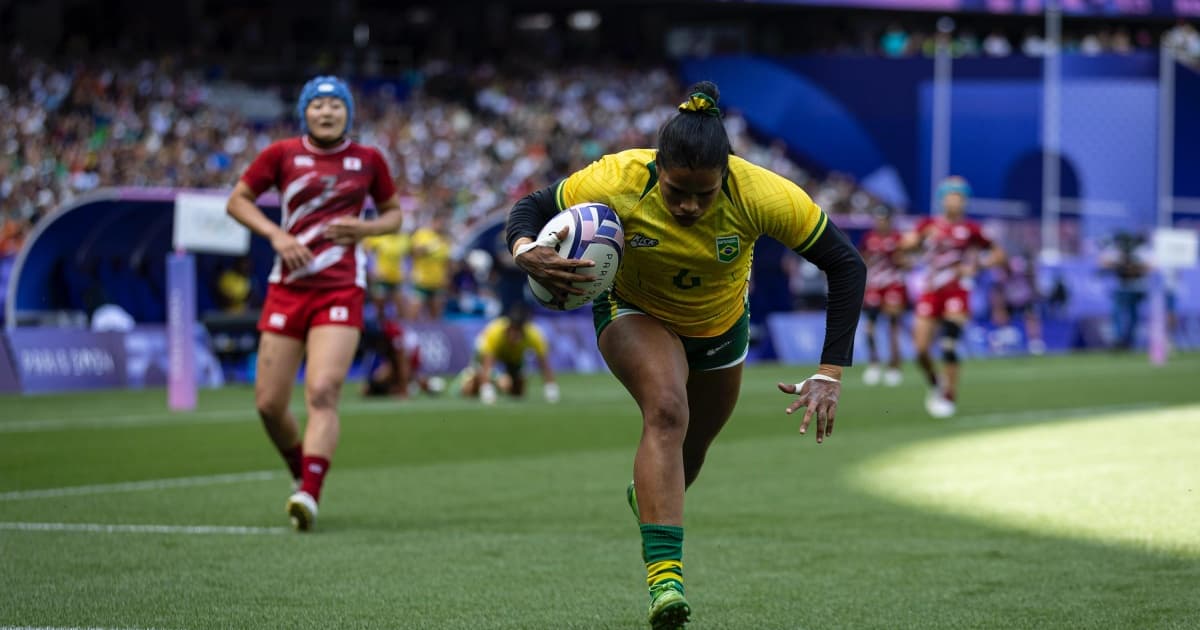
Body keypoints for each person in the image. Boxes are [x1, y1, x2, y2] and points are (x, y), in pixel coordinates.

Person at [506, 81, 866, 629]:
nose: (690, 205)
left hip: (721, 327)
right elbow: (532, 207)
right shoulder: (617, 177)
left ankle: (647, 498)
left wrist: (829, 372)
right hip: (633, 309)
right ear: (658, 169)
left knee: (691, 451)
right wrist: (526, 249)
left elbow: (846, 265)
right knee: (668, 411)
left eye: (704, 193)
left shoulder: (764, 194)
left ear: (727, 174)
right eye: (677, 191)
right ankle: (665, 582)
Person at [225, 76, 403, 531]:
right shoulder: (281, 154)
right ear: (305, 112)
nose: (327, 112)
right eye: (318, 105)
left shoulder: (368, 159)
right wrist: (275, 234)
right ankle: (301, 472)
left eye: (335, 105)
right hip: (287, 287)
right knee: (268, 404)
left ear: (348, 113)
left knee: (323, 391)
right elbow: (238, 201)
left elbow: (393, 215)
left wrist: (364, 230)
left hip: (341, 288)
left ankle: (309, 493)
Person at [902, 176, 1004, 418]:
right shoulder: (928, 224)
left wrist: (978, 266)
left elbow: (999, 254)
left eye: (959, 197)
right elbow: (906, 246)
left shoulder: (971, 229)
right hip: (931, 291)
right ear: (942, 200)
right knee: (920, 350)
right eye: (950, 197)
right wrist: (918, 238)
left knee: (949, 344)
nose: (954, 202)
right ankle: (936, 382)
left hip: (957, 291)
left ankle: (949, 395)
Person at [459, 304, 559, 405]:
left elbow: (544, 363)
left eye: (518, 331)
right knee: (470, 390)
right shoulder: (494, 332)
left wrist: (550, 387)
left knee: (518, 391)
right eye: (513, 330)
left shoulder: (534, 335)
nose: (515, 335)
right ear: (508, 327)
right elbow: (488, 363)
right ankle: (476, 381)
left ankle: (500, 384)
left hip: (513, 359)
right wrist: (487, 388)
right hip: (488, 359)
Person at [859, 205, 910, 386]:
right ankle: (873, 363)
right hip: (874, 286)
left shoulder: (898, 239)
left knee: (893, 328)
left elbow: (908, 263)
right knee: (869, 328)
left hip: (893, 286)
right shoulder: (869, 238)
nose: (881, 223)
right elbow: (862, 259)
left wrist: (901, 260)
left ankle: (894, 366)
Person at [988, 250, 1045, 355]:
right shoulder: (998, 273)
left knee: (1031, 315)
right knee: (1000, 309)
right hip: (1009, 299)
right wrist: (997, 305)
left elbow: (1031, 274)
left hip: (1024, 297)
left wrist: (1035, 292)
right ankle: (1002, 336)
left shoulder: (1018, 265)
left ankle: (1035, 342)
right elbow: (997, 290)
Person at [408, 213, 451, 320]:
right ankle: (411, 333)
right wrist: (430, 247)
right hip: (421, 280)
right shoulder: (422, 235)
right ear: (433, 222)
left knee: (436, 311)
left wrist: (446, 277)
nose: (441, 225)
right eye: (439, 222)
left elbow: (446, 262)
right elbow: (414, 253)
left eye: (443, 222)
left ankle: (434, 334)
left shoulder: (445, 240)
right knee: (414, 311)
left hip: (437, 282)